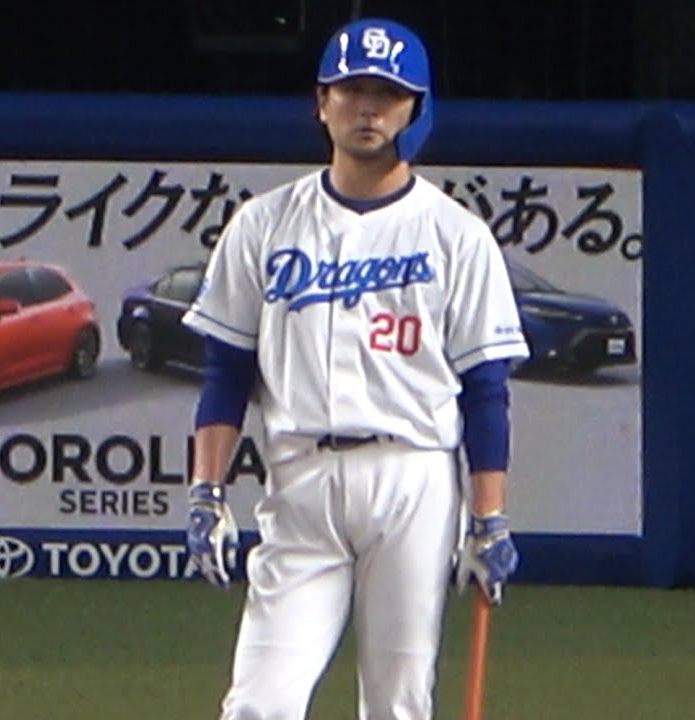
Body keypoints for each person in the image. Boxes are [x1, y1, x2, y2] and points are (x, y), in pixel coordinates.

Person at [181, 16, 529, 720]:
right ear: (322, 102)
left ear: (415, 109)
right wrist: (205, 491)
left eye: (387, 93)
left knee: (398, 704)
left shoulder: (456, 235)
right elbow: (226, 371)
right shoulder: (263, 224)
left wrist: (488, 517)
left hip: (412, 476)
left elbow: (485, 391)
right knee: (258, 704)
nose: (368, 108)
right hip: (299, 476)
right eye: (351, 90)